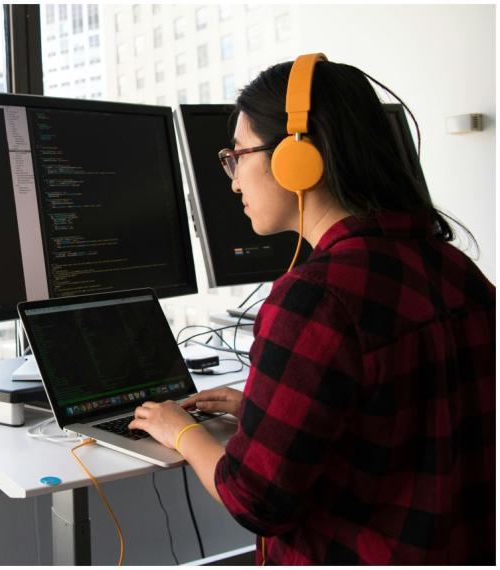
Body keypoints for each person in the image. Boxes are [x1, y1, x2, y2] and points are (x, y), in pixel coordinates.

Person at [128, 54, 495, 564]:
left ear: (296, 159)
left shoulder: (316, 299)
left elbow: (254, 498)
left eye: (236, 156)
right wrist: (263, 410)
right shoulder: (459, 269)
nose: (232, 181)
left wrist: (180, 431)